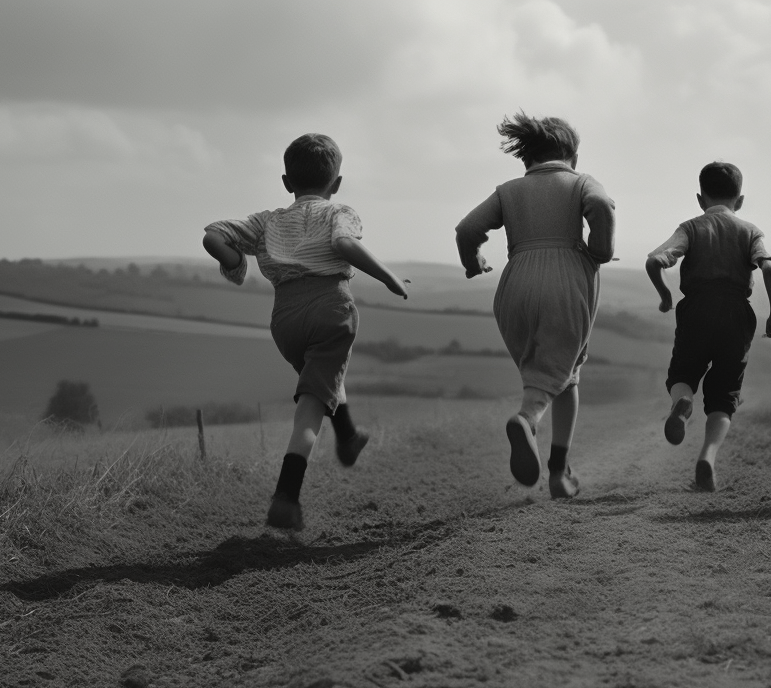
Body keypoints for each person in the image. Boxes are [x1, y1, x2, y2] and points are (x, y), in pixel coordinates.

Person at [201, 133, 410, 530]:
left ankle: (348, 437)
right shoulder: (339, 213)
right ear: (337, 183)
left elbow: (213, 234)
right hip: (331, 310)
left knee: (320, 377)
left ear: (286, 183)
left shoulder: (268, 221)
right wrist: (389, 278)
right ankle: (287, 495)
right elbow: (345, 245)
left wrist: (235, 264)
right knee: (310, 411)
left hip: (286, 319)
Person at [454, 112, 615, 499]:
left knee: (564, 371)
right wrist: (600, 251)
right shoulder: (580, 182)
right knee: (556, 372)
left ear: (527, 159)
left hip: (515, 285)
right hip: (566, 282)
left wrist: (473, 262)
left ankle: (560, 472)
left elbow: (466, 230)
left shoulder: (508, 190)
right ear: (571, 155)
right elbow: (602, 206)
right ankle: (527, 419)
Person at [646, 161, 771, 492]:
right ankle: (707, 457)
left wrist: (665, 296)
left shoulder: (691, 228)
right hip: (737, 315)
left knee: (682, 375)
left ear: (699, 198)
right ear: (741, 199)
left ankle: (685, 401)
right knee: (724, 395)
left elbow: (654, 260)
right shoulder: (750, 231)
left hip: (696, 310)